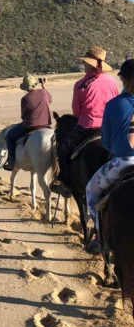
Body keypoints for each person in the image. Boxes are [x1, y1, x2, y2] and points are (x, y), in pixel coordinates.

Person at [52, 46, 119, 195]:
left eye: (84, 62)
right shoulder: (111, 81)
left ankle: (66, 183)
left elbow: (76, 111)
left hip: (87, 126)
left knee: (64, 151)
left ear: (89, 64)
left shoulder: (81, 84)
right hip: (109, 126)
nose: (83, 65)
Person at [85, 59, 134, 253]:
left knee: (90, 192)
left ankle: (101, 237)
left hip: (123, 162)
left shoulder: (114, 104)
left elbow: (106, 141)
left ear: (124, 79)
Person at [3, 73, 52, 171]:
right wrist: (44, 87)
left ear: (25, 88)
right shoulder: (43, 92)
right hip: (46, 124)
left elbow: (23, 116)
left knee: (10, 137)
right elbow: (50, 100)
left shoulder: (25, 98)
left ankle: (11, 162)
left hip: (30, 125)